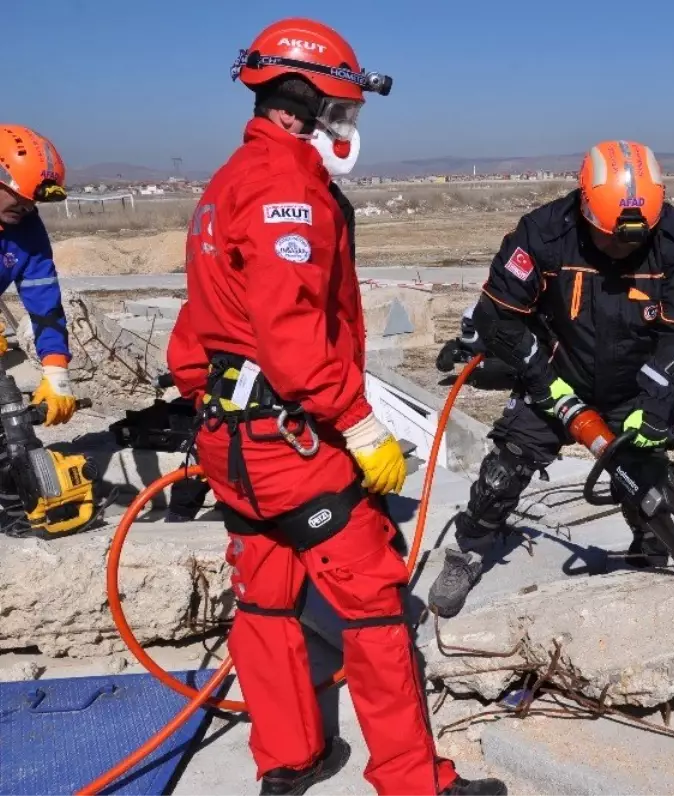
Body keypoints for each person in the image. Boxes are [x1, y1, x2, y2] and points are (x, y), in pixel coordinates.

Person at [165, 18, 505, 796]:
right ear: (298, 103)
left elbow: (197, 333)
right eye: (340, 108)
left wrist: (223, 413)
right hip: (291, 442)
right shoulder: (288, 188)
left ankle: (288, 761)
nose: (347, 125)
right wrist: (355, 423)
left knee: (267, 598)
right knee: (376, 604)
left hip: (233, 441)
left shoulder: (226, 184)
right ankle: (415, 782)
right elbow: (291, 335)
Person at [427, 139, 674, 619]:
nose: (624, 248)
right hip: (555, 372)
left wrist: (656, 402)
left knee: (641, 476)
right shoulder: (542, 235)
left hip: (632, 387)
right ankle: (468, 551)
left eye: (634, 241)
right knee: (504, 468)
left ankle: (650, 549)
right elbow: (500, 318)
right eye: (612, 239)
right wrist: (544, 384)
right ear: (584, 205)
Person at [0, 126, 78, 426]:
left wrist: (56, 372)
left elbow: (44, 304)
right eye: (21, 196)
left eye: (33, 201)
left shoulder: (27, 227)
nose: (28, 207)